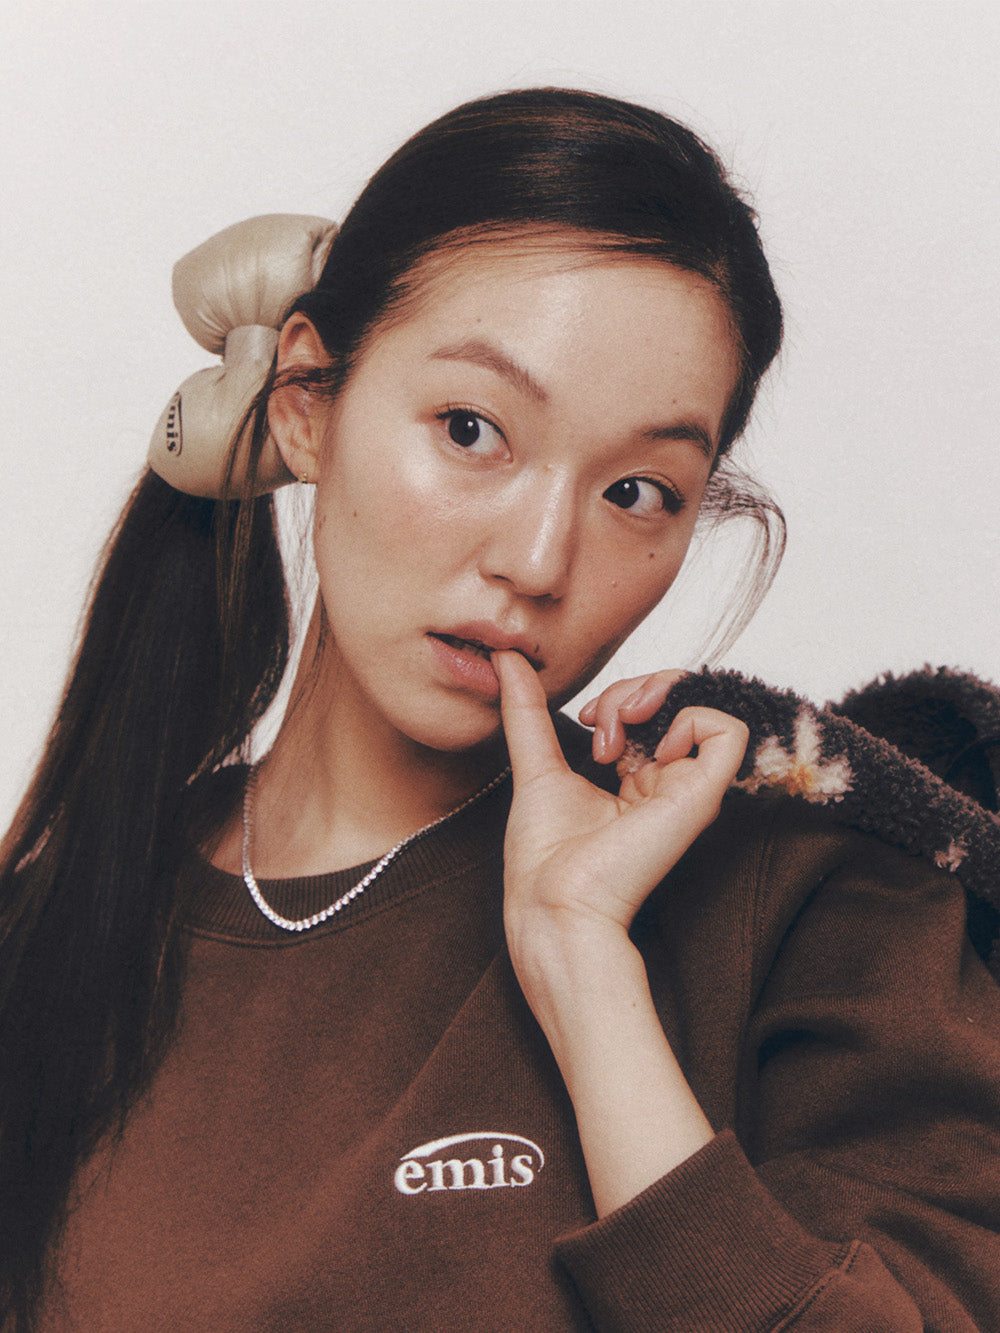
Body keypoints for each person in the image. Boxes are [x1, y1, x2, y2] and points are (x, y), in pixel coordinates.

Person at [1, 87, 999, 1332]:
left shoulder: (817, 900)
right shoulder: (57, 926)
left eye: (636, 491)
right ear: (306, 402)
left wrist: (585, 973)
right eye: (471, 429)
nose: (536, 560)